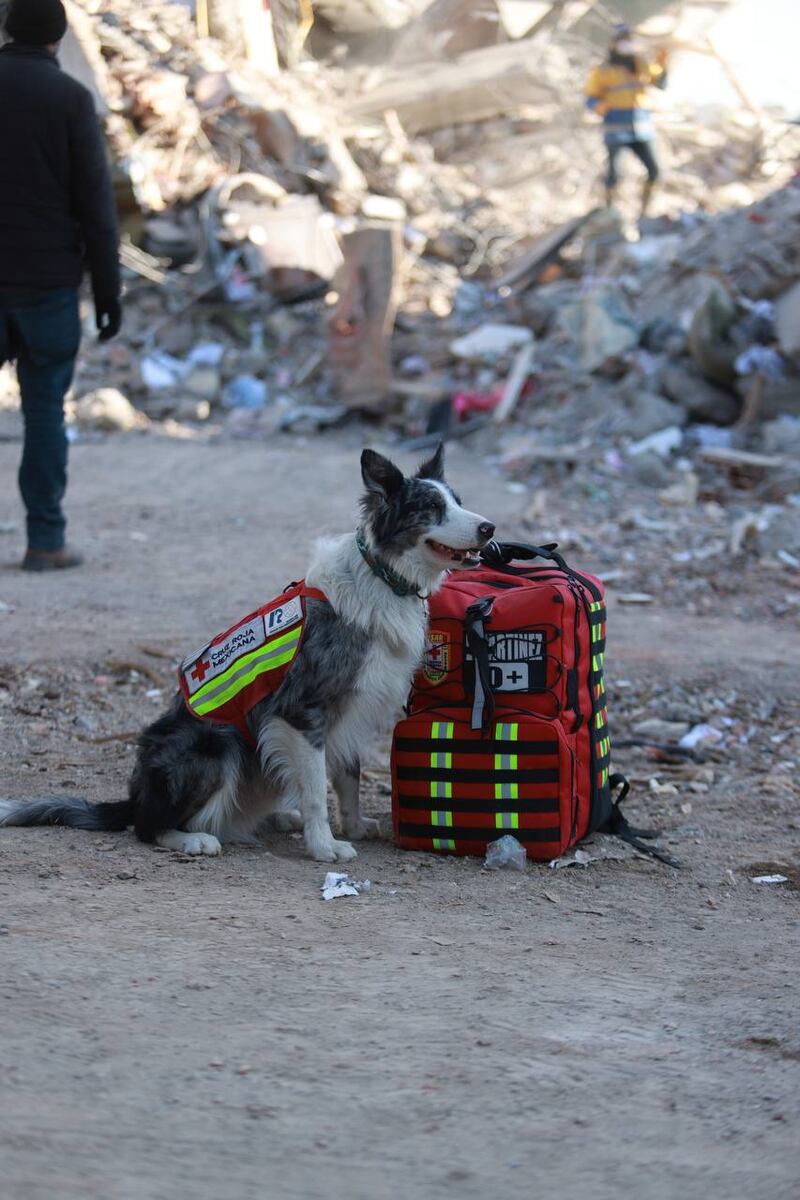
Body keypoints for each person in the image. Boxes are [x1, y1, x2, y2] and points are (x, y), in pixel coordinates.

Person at [0, 0, 121, 571]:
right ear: (59, 36)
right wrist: (108, 293)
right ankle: (45, 541)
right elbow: (97, 207)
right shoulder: (72, 101)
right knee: (45, 410)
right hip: (48, 282)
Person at [585, 23, 669, 217]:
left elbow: (661, 84)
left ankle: (645, 211)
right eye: (623, 41)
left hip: (641, 127)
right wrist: (598, 106)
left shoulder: (642, 65)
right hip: (615, 128)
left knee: (655, 170)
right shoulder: (602, 71)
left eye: (629, 41)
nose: (627, 45)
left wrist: (664, 64)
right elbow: (590, 97)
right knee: (615, 174)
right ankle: (609, 212)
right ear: (614, 43)